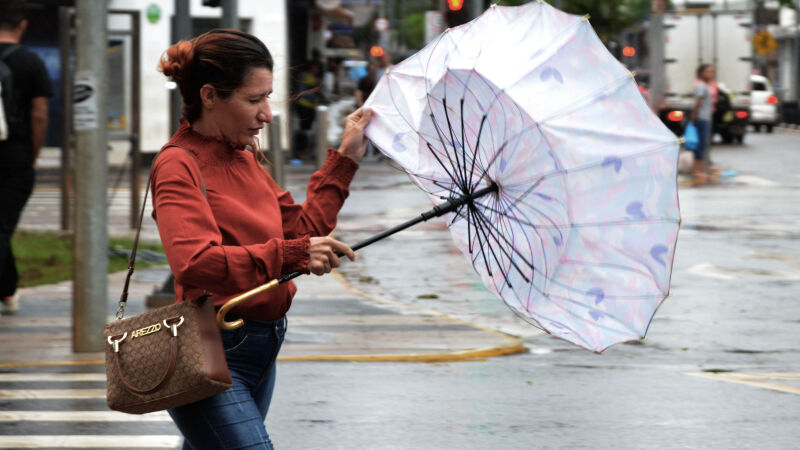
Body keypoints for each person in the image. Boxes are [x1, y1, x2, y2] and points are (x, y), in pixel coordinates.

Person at [155, 29, 372, 448]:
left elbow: (303, 231)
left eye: (268, 97)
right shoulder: (177, 164)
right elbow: (194, 262)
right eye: (255, 100)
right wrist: (293, 253)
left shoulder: (245, 155)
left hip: (262, 346)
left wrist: (346, 156)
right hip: (211, 348)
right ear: (210, 96)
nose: (268, 114)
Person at [0, 2, 53, 314]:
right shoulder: (30, 62)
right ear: (21, 26)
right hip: (14, 157)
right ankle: (6, 290)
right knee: (3, 226)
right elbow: (40, 116)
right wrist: (31, 155)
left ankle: (7, 290)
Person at [689, 63, 714, 186]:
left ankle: (697, 169)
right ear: (701, 73)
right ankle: (696, 170)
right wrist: (694, 117)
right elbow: (698, 102)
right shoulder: (701, 86)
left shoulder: (704, 86)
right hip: (701, 119)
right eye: (708, 71)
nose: (710, 74)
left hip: (703, 118)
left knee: (701, 144)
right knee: (700, 145)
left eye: (712, 72)